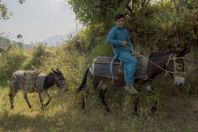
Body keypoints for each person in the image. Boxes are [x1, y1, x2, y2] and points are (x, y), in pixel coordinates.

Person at [106, 13, 138, 94]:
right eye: (119, 21)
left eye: (122, 21)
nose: (121, 22)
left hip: (127, 50)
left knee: (137, 59)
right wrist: (120, 42)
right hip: (119, 52)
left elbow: (128, 41)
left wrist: (132, 50)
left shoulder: (124, 29)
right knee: (133, 61)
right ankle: (128, 85)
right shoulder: (114, 30)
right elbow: (108, 40)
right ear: (116, 22)